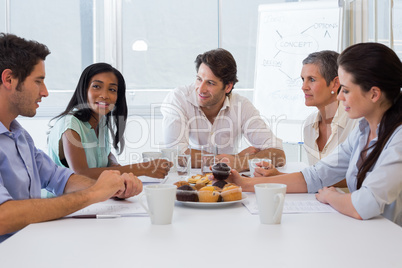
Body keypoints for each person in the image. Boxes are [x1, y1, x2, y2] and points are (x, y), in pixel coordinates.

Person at [227, 42, 402, 225]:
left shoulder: (397, 138)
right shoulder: (362, 132)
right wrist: (243, 184)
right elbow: (316, 176)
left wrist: (330, 196)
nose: (340, 97)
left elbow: (365, 205)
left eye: (347, 90)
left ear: (374, 94)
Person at [0, 33, 143, 243]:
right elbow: (3, 217)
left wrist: (115, 187)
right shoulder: (70, 125)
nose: (45, 92)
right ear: (9, 79)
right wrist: (93, 193)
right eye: (38, 81)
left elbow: (60, 178)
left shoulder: (19, 136)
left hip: (30, 242)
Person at [161, 48, 285, 172]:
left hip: (230, 180)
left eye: (210, 83)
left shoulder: (241, 106)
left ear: (228, 87)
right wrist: (236, 159)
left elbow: (278, 154)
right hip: (192, 178)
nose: (201, 89)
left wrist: (239, 162)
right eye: (199, 79)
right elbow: (175, 154)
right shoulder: (178, 99)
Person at [47, 63, 172, 180]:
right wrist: (143, 168)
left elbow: (103, 153)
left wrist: (113, 163)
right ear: (84, 89)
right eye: (96, 86)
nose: (105, 95)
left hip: (96, 199)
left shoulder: (100, 120)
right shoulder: (70, 125)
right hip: (66, 201)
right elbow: (81, 174)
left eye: (112, 89)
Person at [254, 51, 358, 186]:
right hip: (318, 203)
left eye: (312, 80)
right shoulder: (310, 124)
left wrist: (280, 177)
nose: (303, 87)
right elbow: (317, 176)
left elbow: (356, 177)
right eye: (303, 79)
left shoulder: (356, 123)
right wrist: (278, 176)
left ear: (335, 84)